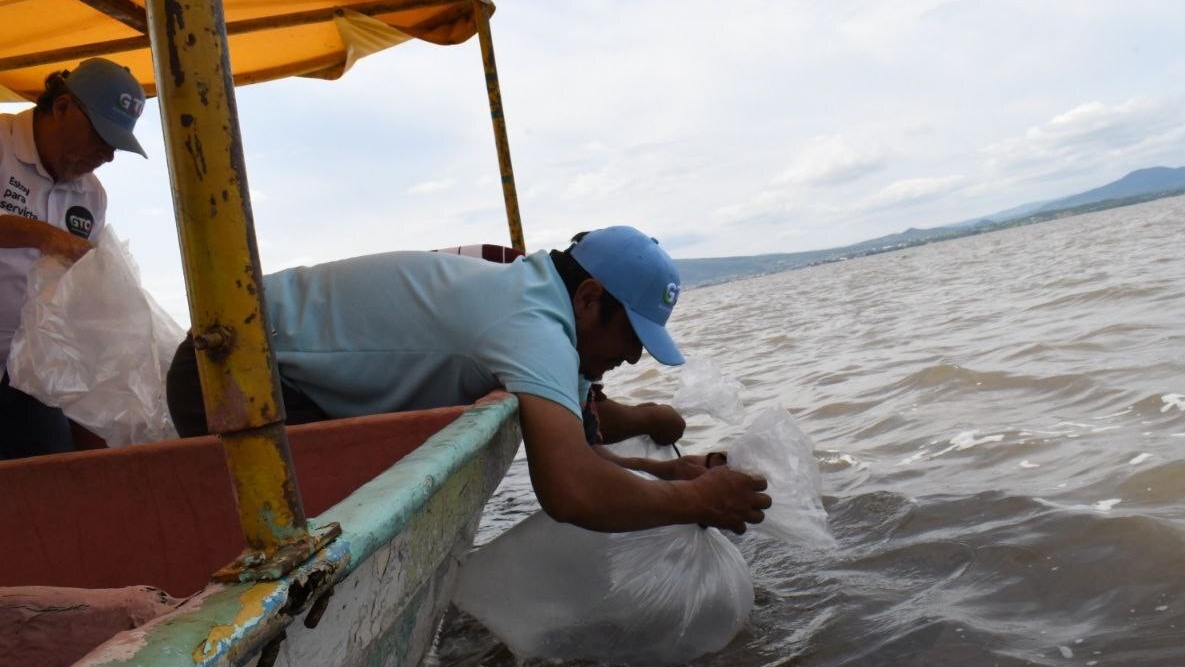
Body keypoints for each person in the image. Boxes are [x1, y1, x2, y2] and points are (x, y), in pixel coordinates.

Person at [167, 225, 771, 533]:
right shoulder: (532, 324)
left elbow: (581, 442)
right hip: (230, 363)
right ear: (590, 299)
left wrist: (663, 470)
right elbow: (573, 490)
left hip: (263, 356)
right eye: (632, 337)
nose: (634, 358)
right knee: (318, 535)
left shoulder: (538, 302)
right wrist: (694, 500)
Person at [0, 58, 148, 459]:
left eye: (116, 145)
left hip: (31, 373)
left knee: (55, 482)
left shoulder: (92, 196)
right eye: (101, 136)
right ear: (63, 107)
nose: (107, 155)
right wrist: (42, 235)